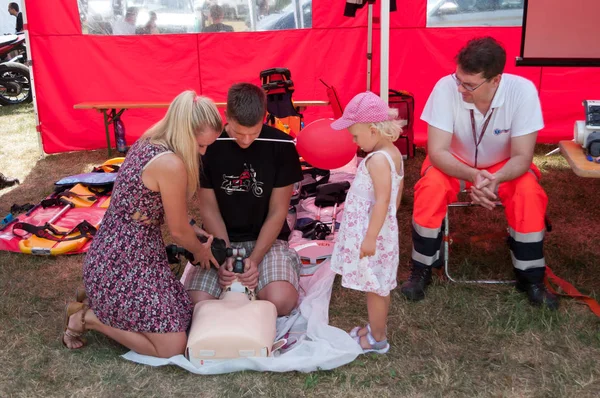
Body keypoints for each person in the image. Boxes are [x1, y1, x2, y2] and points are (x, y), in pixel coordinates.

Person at [62, 91, 224, 358]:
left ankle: (99, 296)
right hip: (122, 261)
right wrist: (200, 250)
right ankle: (87, 318)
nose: (204, 152)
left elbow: (153, 209)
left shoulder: (151, 140)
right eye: (201, 145)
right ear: (185, 134)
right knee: (171, 347)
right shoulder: (171, 164)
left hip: (123, 254)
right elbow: (178, 231)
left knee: (185, 314)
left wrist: (193, 228)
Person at [400, 37, 558, 310]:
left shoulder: (523, 91)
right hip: (454, 162)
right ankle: (422, 268)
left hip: (504, 166)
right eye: (459, 79)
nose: (460, 88)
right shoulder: (445, 88)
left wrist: (494, 179)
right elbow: (437, 152)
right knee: (430, 189)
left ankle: (531, 277)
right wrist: (475, 175)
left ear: (496, 80)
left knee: (529, 193)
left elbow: (522, 156)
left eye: (470, 85)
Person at [185, 82, 303, 316]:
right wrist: (225, 254)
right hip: (219, 240)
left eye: (254, 132)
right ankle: (243, 291)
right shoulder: (207, 146)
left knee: (281, 301)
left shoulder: (282, 145)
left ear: (264, 117)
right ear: (226, 116)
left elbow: (278, 211)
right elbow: (209, 211)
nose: (246, 140)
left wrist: (256, 260)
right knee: (195, 304)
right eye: (239, 132)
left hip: (267, 241)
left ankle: (255, 285)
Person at [328, 91, 404, 354]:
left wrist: (371, 236)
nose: (354, 141)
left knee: (375, 288)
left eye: (356, 135)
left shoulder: (378, 160)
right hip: (381, 232)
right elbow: (396, 197)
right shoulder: (393, 154)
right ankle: (374, 329)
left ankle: (377, 339)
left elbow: (383, 200)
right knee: (377, 285)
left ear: (373, 130)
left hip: (373, 236)